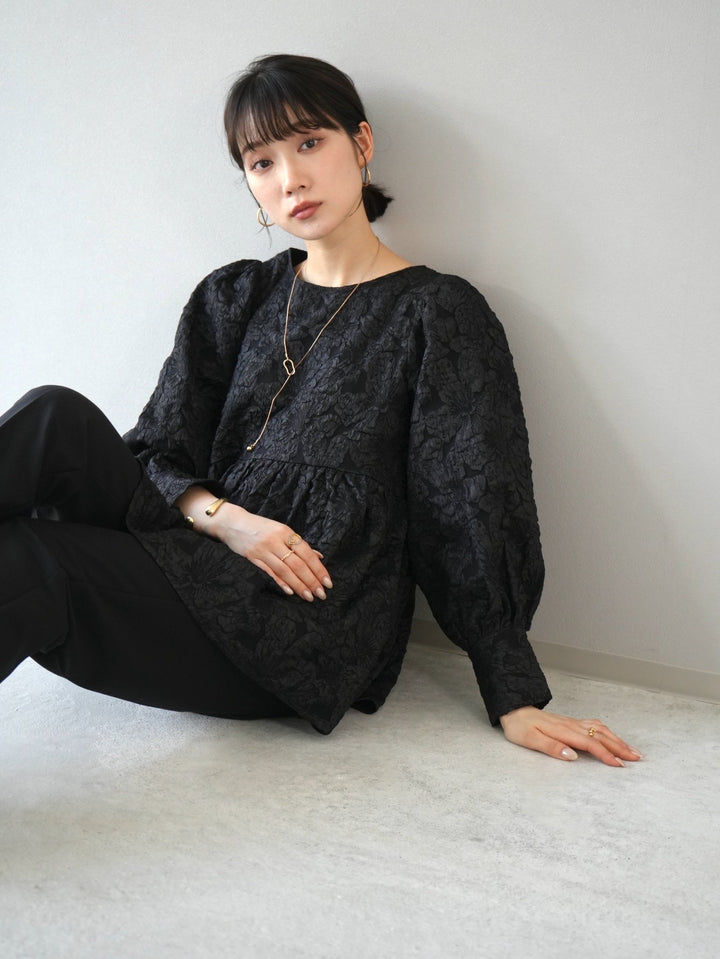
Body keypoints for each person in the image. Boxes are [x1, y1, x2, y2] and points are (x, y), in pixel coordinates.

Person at [0, 54, 641, 766]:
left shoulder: (435, 313)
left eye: (309, 142)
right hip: (195, 550)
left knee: (23, 558)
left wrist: (512, 691)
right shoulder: (235, 297)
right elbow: (157, 451)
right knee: (54, 415)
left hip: (296, 625)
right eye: (262, 162)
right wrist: (230, 520)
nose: (291, 179)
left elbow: (466, 505)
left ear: (361, 143)